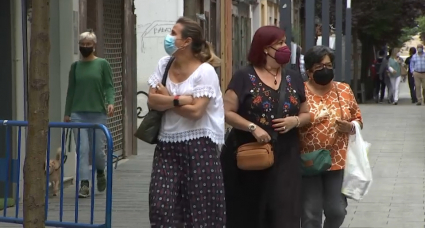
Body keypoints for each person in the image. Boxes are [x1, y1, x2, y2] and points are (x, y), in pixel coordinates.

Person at [220, 26, 311, 228]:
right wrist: (252, 127)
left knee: (284, 212)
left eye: (285, 42)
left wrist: (294, 121)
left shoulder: (294, 77)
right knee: (250, 213)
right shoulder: (244, 76)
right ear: (264, 49)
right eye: (279, 43)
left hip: (286, 155)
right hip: (250, 155)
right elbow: (226, 112)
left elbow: (307, 113)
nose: (285, 47)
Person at [146, 17, 226, 227]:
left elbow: (197, 111)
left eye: (174, 33)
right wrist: (179, 99)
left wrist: (168, 100)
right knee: (161, 207)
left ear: (186, 41)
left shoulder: (205, 72)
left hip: (200, 146)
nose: (169, 37)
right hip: (166, 145)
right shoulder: (164, 65)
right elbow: (152, 100)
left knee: (200, 211)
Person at [299, 46, 363, 228]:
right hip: (307, 160)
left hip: (337, 160)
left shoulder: (343, 90)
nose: (325, 69)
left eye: (328, 65)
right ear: (309, 70)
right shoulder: (300, 91)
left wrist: (350, 126)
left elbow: (357, 119)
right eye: (319, 66)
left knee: (337, 210)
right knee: (311, 213)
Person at [64, 30, 115, 198]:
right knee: (83, 149)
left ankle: (100, 171)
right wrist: (67, 113)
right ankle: (84, 184)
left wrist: (110, 102)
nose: (85, 47)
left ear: (94, 46)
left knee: (99, 152)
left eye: (88, 44)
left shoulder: (102, 64)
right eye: (83, 44)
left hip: (98, 113)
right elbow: (71, 91)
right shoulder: (75, 67)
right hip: (78, 113)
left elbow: (109, 85)